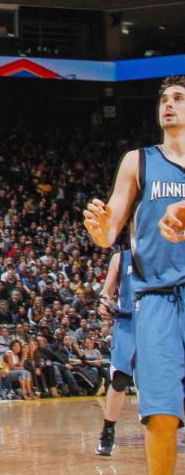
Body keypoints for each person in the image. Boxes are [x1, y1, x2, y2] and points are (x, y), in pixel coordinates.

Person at [84, 76, 185, 475]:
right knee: (161, 413)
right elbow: (110, 231)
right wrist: (100, 229)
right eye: (164, 99)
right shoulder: (138, 161)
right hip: (156, 296)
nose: (169, 105)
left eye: (179, 98)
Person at [95, 248, 135, 456]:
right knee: (119, 379)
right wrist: (103, 303)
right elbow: (106, 292)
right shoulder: (121, 258)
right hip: (127, 323)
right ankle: (108, 431)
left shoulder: (167, 250)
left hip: (158, 320)